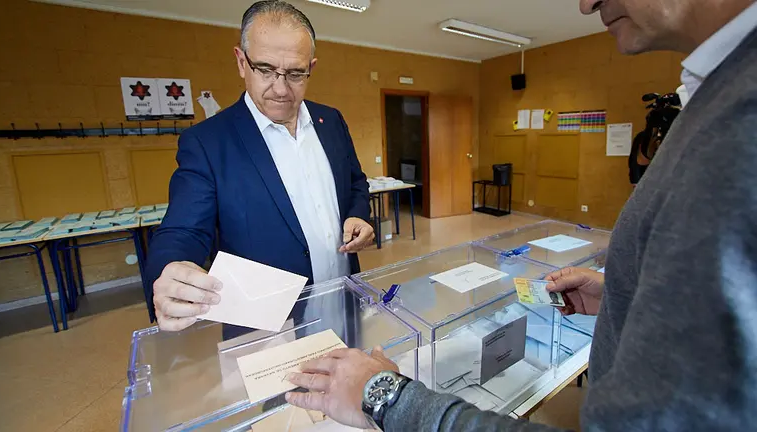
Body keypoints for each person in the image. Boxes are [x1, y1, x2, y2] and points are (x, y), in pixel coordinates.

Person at [286, 0, 757, 430]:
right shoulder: (718, 98)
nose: (586, 3)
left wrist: (388, 397)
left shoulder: (740, 125)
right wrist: (623, 291)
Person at [146, 0, 375, 332]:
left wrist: (359, 214)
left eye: (295, 73)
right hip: (266, 324)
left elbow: (356, 182)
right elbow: (184, 229)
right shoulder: (208, 142)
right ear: (241, 62)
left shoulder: (331, 122)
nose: (281, 89)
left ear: (311, 67)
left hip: (343, 303)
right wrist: (170, 271)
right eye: (265, 69)